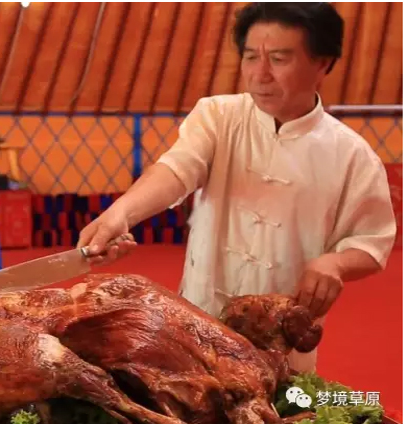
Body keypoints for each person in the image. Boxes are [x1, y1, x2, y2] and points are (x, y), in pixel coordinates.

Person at [78, 3, 396, 372]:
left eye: (278, 59)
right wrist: (122, 212)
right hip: (194, 326)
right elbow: (177, 169)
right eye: (250, 57)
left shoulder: (352, 154)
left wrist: (337, 263)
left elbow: (372, 242)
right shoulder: (218, 116)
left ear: (322, 63)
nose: (260, 75)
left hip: (283, 344)